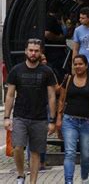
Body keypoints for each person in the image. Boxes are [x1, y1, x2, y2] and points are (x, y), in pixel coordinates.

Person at [3, 38, 57, 184]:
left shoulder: (47, 72)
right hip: (20, 116)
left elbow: (52, 96)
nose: (33, 53)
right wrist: (7, 117)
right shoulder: (16, 70)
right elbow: (9, 95)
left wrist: (52, 120)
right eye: (31, 50)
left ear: (40, 53)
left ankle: (33, 182)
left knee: (35, 152)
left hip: (40, 118)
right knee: (18, 147)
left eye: (36, 51)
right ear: (26, 51)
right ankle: (21, 175)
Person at [56, 55, 89, 184]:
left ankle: (84, 179)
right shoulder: (68, 79)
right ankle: (69, 181)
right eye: (75, 64)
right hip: (69, 121)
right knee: (70, 153)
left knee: (86, 156)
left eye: (80, 64)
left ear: (86, 65)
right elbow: (61, 100)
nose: (78, 67)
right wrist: (58, 118)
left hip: (87, 123)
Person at [44, 0, 67, 81]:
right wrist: (59, 38)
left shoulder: (50, 18)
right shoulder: (50, 20)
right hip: (54, 52)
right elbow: (47, 34)